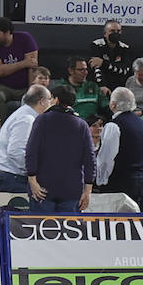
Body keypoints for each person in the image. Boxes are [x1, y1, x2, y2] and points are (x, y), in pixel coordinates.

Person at [25, 85, 95, 213]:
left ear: (56, 100)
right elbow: (90, 159)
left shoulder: (42, 120)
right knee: (70, 232)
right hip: (72, 190)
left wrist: (32, 180)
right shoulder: (82, 125)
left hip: (43, 188)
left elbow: (31, 151)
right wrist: (88, 190)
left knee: (43, 230)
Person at [96, 86, 143, 206]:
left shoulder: (113, 126)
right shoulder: (142, 124)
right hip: (140, 180)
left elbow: (106, 159)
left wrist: (101, 181)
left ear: (113, 105)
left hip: (119, 183)